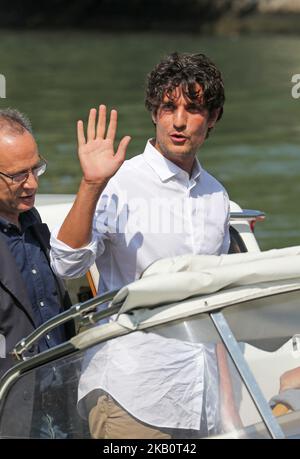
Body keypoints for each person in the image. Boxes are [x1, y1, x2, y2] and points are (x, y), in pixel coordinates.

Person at [50, 52, 230, 438]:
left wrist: (227, 415)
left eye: (193, 108)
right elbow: (66, 265)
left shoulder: (217, 196)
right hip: (132, 394)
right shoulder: (120, 180)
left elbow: (216, 308)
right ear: (154, 113)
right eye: (168, 107)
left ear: (212, 118)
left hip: (201, 402)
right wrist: (92, 185)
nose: (178, 121)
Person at [0, 108, 74, 437]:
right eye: (18, 174)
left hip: (61, 402)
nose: (32, 183)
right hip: (13, 414)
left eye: (36, 167)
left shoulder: (33, 222)